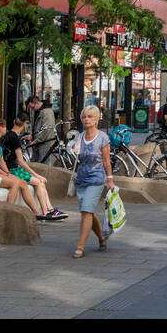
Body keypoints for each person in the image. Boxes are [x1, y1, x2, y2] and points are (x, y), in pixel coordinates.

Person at [0, 116, 51, 218]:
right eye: (5, 127)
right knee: (15, 183)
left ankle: (37, 213)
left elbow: (1, 161)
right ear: (0, 128)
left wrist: (8, 173)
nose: (6, 129)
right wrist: (6, 175)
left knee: (22, 183)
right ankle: (9, 214)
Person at [1, 114, 68, 220]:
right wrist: (36, 175)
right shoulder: (15, 139)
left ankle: (49, 210)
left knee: (39, 182)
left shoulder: (9, 135)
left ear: (14, 121)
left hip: (9, 168)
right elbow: (20, 161)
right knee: (39, 181)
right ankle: (47, 211)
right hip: (13, 169)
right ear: (25, 124)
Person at [72, 105, 116, 258]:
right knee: (88, 212)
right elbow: (77, 158)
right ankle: (101, 238)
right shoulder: (80, 136)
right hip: (81, 179)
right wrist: (74, 151)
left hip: (96, 178)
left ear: (97, 119)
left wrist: (109, 180)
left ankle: (80, 246)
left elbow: (106, 160)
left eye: (90, 117)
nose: (86, 119)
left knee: (86, 211)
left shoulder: (102, 137)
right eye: (84, 117)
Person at [27, 95, 57, 162]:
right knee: (38, 166)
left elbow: (46, 130)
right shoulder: (36, 110)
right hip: (38, 143)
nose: (32, 109)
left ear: (37, 103)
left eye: (33, 107)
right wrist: (31, 134)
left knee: (44, 168)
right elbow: (33, 124)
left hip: (45, 144)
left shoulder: (47, 112)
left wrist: (35, 141)